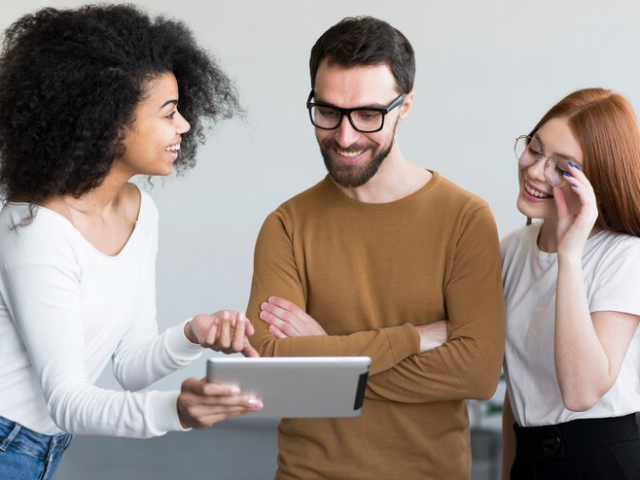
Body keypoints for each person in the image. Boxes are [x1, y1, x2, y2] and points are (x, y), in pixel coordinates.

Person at [0, 5, 262, 479]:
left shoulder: (140, 209)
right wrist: (175, 413)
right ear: (108, 121)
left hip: (40, 447)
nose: (183, 125)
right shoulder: (35, 230)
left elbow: (131, 364)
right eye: (168, 112)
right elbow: (68, 400)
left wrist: (193, 333)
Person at [246, 16, 506, 480]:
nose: (345, 137)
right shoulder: (285, 226)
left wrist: (325, 355)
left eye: (368, 115)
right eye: (327, 112)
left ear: (404, 107)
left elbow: (477, 372)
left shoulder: (465, 219)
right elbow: (269, 366)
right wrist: (412, 339)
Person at [501, 88, 640, 479]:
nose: (534, 171)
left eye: (562, 168)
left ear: (596, 183)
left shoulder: (624, 256)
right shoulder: (512, 251)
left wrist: (570, 254)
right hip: (528, 457)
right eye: (535, 148)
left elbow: (581, 392)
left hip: (601, 460)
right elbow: (518, 389)